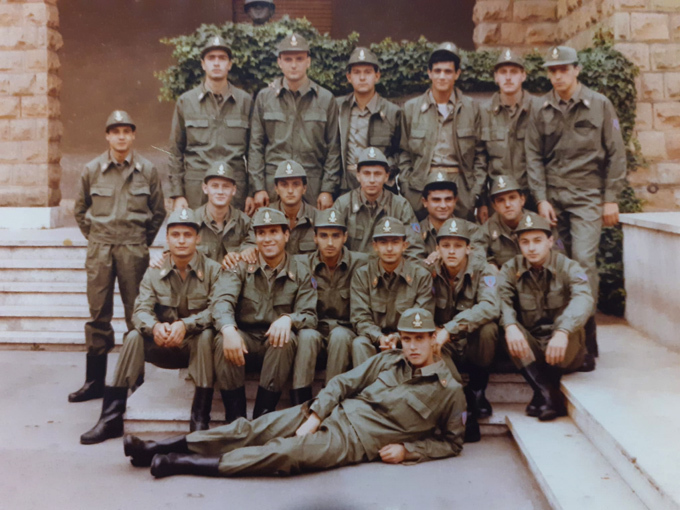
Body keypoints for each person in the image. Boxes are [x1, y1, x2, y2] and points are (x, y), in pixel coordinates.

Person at [122, 308, 466, 479]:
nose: (413, 346)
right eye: (407, 339)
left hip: (353, 441)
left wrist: (409, 451)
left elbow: (451, 443)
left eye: (420, 339)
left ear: (434, 339)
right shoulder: (390, 359)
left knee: (282, 453)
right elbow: (343, 384)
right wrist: (316, 413)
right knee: (251, 429)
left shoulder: (450, 392)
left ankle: (180, 464)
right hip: (328, 410)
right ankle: (156, 447)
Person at [80, 208, 219, 444]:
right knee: (134, 336)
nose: (181, 240)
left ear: (198, 238)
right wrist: (155, 327)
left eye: (187, 234)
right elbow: (140, 311)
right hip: (162, 344)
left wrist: (185, 326)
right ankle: (111, 417)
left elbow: (217, 310)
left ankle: (199, 418)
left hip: (195, 348)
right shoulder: (155, 272)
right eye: (175, 235)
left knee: (206, 336)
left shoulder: (213, 270)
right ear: (167, 239)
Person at [525, 45, 626, 369]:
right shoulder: (540, 108)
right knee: (556, 265)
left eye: (563, 69)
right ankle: (570, 337)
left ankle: (587, 330)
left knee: (582, 261)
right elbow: (533, 156)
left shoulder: (600, 104)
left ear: (576, 70)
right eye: (553, 70)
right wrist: (541, 199)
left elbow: (616, 153)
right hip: (554, 200)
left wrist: (610, 197)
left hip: (587, 197)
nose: (558, 76)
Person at [71, 110, 166, 403]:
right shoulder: (92, 170)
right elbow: (80, 210)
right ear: (107, 136)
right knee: (98, 313)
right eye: (115, 131)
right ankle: (94, 382)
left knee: (136, 313)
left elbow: (158, 211)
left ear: (133, 135)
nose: (121, 137)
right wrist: (97, 238)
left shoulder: (147, 170)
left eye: (126, 131)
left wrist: (140, 242)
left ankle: (134, 379)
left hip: (133, 248)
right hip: (100, 248)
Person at [211, 207, 318, 422]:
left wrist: (289, 319)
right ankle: (235, 417)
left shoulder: (301, 269)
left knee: (284, 338)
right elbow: (222, 301)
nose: (267, 239)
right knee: (222, 338)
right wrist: (229, 329)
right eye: (261, 233)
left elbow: (310, 314)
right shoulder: (240, 265)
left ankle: (263, 413)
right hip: (244, 342)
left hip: (276, 348)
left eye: (273, 232)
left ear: (286, 235)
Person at [498, 212, 593, 421]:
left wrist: (563, 331)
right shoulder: (510, 269)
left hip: (564, 344)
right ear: (519, 244)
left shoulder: (569, 266)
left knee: (574, 325)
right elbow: (501, 299)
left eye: (537, 241)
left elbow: (584, 299)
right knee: (505, 326)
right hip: (532, 345)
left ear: (550, 241)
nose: (531, 248)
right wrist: (511, 326)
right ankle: (547, 393)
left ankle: (542, 394)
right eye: (525, 242)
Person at [249, 33, 341, 210]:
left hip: (312, 184)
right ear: (279, 62)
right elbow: (256, 146)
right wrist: (258, 188)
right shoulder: (265, 98)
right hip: (274, 184)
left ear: (308, 61)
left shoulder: (325, 99)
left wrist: (327, 189)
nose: (293, 65)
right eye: (288, 59)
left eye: (299, 59)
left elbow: (333, 149)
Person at [399, 42, 486, 222]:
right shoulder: (411, 109)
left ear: (457, 74)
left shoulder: (472, 108)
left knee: (460, 235)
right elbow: (403, 153)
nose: (442, 76)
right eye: (437, 71)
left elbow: (480, 155)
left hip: (461, 187)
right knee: (421, 235)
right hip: (422, 186)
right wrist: (408, 189)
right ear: (429, 73)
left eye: (448, 71)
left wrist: (474, 193)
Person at [430, 218, 500, 442]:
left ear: (468, 248)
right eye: (446, 245)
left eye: (458, 246)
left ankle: (478, 390)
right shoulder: (428, 271)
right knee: (428, 340)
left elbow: (490, 306)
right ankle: (464, 404)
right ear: (437, 249)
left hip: (470, 342)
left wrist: (450, 329)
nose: (451, 251)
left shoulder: (483, 269)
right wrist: (438, 332)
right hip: (444, 346)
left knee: (488, 329)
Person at [168, 36, 252, 212]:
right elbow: (175, 151)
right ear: (203, 64)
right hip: (196, 189)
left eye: (222, 58)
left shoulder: (245, 101)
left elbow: (254, 151)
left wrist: (253, 191)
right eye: (211, 58)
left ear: (230, 64)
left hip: (233, 188)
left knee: (234, 229)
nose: (216, 63)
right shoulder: (186, 101)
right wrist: (177, 194)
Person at [293, 209, 369, 399]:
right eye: (324, 236)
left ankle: (330, 398)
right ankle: (300, 401)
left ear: (345, 237)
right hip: (314, 331)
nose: (329, 242)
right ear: (315, 238)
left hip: (346, 332)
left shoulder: (361, 263)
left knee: (340, 336)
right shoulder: (301, 264)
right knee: (307, 336)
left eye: (335, 236)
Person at [350, 217, 434, 367]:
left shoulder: (421, 276)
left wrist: (398, 337)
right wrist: (379, 337)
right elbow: (360, 318)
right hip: (374, 340)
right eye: (383, 242)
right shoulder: (363, 275)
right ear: (375, 246)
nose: (389, 248)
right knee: (359, 343)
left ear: (404, 245)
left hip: (407, 341)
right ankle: (367, 383)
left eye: (395, 242)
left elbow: (422, 316)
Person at [334, 146, 426, 260]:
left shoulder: (400, 206)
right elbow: (333, 248)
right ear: (358, 176)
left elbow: (415, 250)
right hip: (353, 269)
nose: (372, 180)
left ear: (386, 176)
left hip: (390, 269)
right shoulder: (343, 205)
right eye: (366, 173)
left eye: (377, 174)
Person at [337, 47, 401, 194]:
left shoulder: (392, 112)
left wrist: (384, 171)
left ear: (377, 76)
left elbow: (400, 152)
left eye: (367, 72)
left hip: (378, 185)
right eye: (356, 72)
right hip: (344, 185)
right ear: (349, 77)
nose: (362, 78)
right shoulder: (339, 108)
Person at [479, 48, 537, 212]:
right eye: (503, 72)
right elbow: (480, 160)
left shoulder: (538, 109)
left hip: (532, 196)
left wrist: (544, 199)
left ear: (523, 75)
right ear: (496, 77)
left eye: (514, 72)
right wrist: (482, 202)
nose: (508, 77)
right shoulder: (484, 113)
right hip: (499, 197)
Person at [419, 171, 486, 265]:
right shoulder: (416, 232)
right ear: (425, 202)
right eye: (436, 200)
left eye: (448, 199)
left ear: (455, 200)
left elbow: (479, 260)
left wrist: (445, 254)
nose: (443, 205)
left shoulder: (471, 230)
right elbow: (412, 263)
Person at [270, 160, 317, 255]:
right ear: (276, 189)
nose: (290, 190)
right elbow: (250, 244)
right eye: (284, 185)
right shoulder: (264, 216)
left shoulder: (318, 217)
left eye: (296, 184)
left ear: (304, 188)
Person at [484, 175, 530, 268]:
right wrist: (490, 267)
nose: (507, 204)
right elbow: (477, 258)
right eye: (501, 200)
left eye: (512, 198)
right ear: (494, 206)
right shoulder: (486, 230)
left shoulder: (540, 223)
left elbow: (558, 253)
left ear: (522, 200)